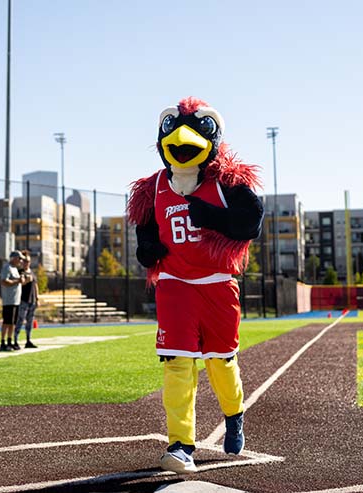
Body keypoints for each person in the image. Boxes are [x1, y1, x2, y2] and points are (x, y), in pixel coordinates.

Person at [127, 97, 264, 474]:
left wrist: (213, 216)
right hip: (174, 284)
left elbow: (250, 222)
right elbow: (146, 230)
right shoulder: (152, 187)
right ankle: (180, 442)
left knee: (220, 362)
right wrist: (147, 250)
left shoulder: (227, 183)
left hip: (218, 284)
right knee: (177, 363)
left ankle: (234, 415)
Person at [0, 250, 24, 352]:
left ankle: (10, 341)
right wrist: (17, 281)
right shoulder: (7, 268)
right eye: (19, 258)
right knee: (7, 322)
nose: (20, 260)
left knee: (13, 322)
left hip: (16, 300)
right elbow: (4, 281)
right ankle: (3, 342)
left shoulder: (15, 269)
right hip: (9, 300)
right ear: (14, 258)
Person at [14, 252, 39, 349]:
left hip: (31, 301)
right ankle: (15, 339)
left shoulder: (32, 272)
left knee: (30, 321)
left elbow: (36, 286)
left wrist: (37, 298)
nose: (26, 263)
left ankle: (28, 340)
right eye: (24, 261)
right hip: (23, 300)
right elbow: (20, 284)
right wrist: (26, 280)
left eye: (28, 261)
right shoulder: (20, 272)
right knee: (20, 320)